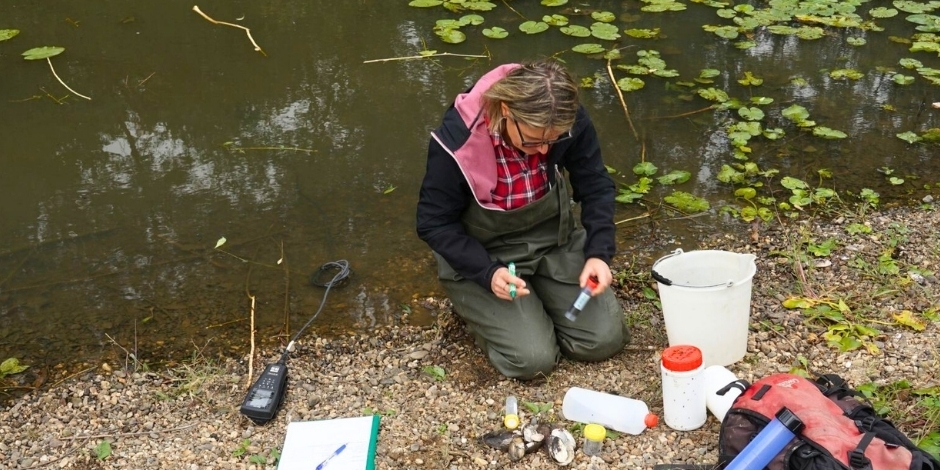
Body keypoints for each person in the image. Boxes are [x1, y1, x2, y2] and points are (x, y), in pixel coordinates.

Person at [416, 59, 629, 380]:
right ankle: (486, 307)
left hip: (553, 240)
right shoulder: (456, 140)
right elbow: (433, 222)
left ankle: (538, 304)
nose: (543, 150)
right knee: (533, 360)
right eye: (532, 140)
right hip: (484, 253)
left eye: (552, 140)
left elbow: (595, 185)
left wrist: (599, 252)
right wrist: (487, 272)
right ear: (506, 110)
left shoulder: (565, 119)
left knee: (603, 341)